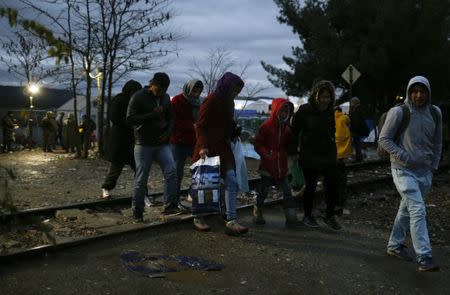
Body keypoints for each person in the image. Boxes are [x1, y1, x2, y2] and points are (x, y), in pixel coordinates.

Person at [379, 76, 442, 272]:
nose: (418, 95)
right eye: (414, 90)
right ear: (408, 92)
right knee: (417, 210)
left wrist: (434, 165)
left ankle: (395, 245)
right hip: (402, 170)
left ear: (428, 92)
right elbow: (384, 139)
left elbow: (438, 141)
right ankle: (424, 256)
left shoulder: (435, 112)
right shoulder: (399, 112)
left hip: (424, 172)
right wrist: (404, 156)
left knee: (406, 209)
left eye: (422, 91)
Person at [192, 72, 249, 235]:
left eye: (238, 91)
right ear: (227, 86)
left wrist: (234, 130)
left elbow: (227, 122)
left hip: (223, 148)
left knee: (231, 181)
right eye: (235, 90)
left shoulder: (229, 102)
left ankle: (231, 220)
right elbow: (200, 125)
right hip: (208, 148)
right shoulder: (211, 100)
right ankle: (198, 217)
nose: (236, 93)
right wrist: (203, 146)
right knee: (205, 184)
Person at [127, 72, 181, 223]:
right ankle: (138, 211)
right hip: (143, 143)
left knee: (171, 171)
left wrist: (167, 134)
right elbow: (130, 119)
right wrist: (151, 114)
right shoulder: (138, 97)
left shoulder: (165, 98)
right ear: (153, 84)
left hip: (162, 143)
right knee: (141, 178)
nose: (161, 93)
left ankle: (170, 205)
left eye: (164, 91)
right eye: (159, 90)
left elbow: (171, 118)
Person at [291, 80, 341, 230]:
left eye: (328, 97)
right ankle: (307, 215)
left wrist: (335, 151)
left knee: (332, 184)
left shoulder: (330, 112)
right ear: (316, 96)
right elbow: (294, 132)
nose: (325, 100)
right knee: (311, 186)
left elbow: (331, 132)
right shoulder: (304, 110)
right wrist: (294, 152)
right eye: (323, 96)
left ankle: (329, 215)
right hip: (310, 153)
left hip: (328, 153)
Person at [253, 98, 297, 225]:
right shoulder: (265, 126)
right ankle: (258, 210)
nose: (284, 114)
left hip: (281, 165)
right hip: (268, 164)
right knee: (263, 191)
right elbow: (258, 143)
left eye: (286, 111)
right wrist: (266, 154)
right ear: (276, 111)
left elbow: (289, 145)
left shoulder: (287, 129)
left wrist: (294, 152)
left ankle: (291, 215)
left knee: (287, 190)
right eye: (281, 110)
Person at [101, 80, 142, 199]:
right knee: (117, 167)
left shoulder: (135, 101)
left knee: (138, 168)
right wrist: (131, 123)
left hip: (131, 139)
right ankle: (106, 188)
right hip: (120, 138)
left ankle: (142, 192)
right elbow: (114, 117)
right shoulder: (120, 100)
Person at [170, 79, 204, 202]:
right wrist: (191, 126)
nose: (195, 94)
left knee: (200, 168)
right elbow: (173, 121)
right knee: (177, 173)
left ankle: (193, 192)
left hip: (194, 141)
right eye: (194, 91)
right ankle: (174, 200)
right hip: (178, 141)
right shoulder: (177, 100)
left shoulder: (199, 102)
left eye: (198, 92)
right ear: (188, 88)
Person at [334, 106, 352, 215]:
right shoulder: (344, 117)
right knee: (341, 179)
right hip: (342, 153)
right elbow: (349, 121)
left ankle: (334, 201)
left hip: (332, 152)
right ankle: (340, 202)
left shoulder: (331, 118)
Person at [349, 97, 369, 162]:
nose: (351, 104)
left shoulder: (356, 110)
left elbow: (356, 122)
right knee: (358, 144)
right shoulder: (360, 109)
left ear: (354, 103)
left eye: (351, 102)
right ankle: (359, 158)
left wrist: (353, 130)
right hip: (359, 130)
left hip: (356, 131)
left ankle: (358, 158)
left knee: (357, 144)